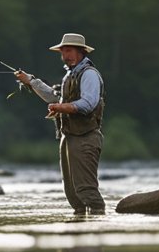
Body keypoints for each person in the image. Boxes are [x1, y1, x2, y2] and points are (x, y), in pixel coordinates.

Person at [15, 33, 106, 215]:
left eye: (69, 50)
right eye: (63, 51)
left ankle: (96, 230)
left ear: (81, 52)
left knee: (86, 191)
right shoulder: (69, 76)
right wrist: (31, 82)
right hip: (68, 137)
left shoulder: (89, 74)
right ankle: (78, 234)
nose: (65, 55)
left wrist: (61, 107)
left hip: (86, 137)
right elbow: (54, 97)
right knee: (73, 194)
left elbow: (88, 103)